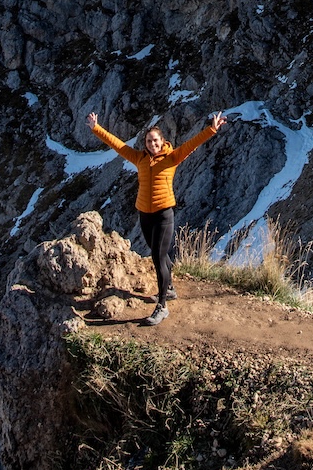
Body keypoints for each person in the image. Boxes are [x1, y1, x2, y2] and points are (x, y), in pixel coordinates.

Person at [86, 109, 226, 325]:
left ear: (163, 142)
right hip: (144, 213)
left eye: (155, 141)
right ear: (146, 143)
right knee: (157, 252)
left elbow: (192, 144)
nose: (152, 144)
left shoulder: (172, 157)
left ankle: (162, 306)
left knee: (158, 257)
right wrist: (97, 129)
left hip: (163, 214)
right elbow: (117, 144)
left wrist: (212, 129)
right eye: (149, 141)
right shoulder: (139, 158)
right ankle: (168, 288)